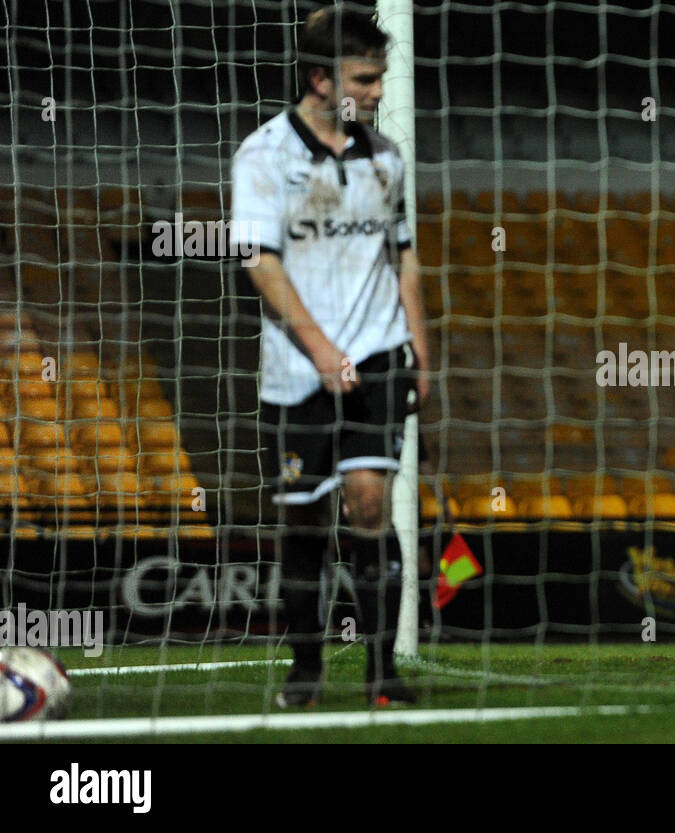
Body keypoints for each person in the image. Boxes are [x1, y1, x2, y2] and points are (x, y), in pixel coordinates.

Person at [230, 7, 431, 707]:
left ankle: (383, 673)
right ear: (321, 79)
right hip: (296, 371)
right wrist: (320, 350)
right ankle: (306, 666)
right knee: (304, 518)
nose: (378, 92)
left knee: (370, 501)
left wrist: (420, 349)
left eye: (380, 77)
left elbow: (403, 256)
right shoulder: (264, 157)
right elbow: (259, 262)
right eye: (365, 78)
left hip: (378, 355)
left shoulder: (386, 159)